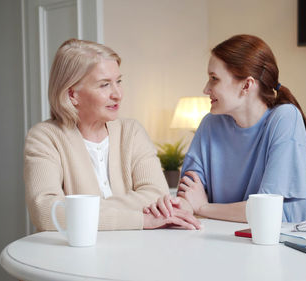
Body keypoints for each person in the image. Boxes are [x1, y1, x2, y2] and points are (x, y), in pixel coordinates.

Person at [24, 39, 200, 231]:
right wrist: (141, 219)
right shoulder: (44, 138)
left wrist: (80, 212)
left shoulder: (131, 132)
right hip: (73, 256)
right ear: (72, 95)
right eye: (104, 85)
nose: (118, 94)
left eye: (118, 81)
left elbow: (157, 194)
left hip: (133, 249)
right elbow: (46, 213)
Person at [146, 34, 306, 223]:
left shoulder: (284, 119)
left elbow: (271, 213)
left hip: (274, 246)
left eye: (214, 78)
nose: (206, 89)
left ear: (247, 85)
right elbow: (188, 197)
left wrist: (203, 207)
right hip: (217, 242)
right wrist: (173, 207)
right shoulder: (210, 124)